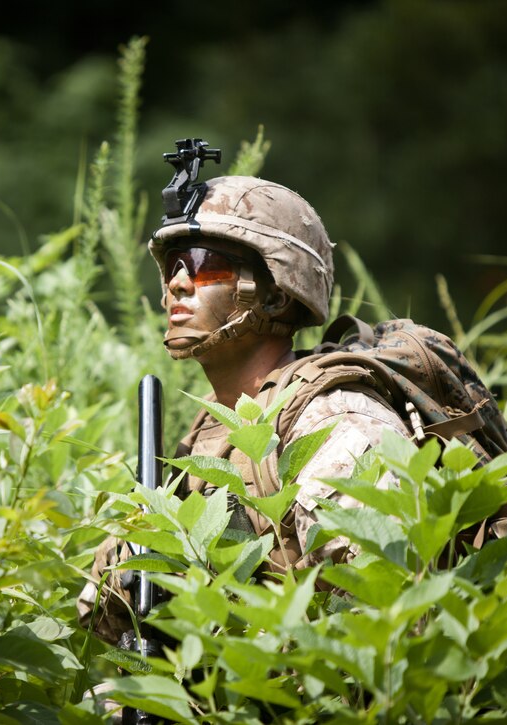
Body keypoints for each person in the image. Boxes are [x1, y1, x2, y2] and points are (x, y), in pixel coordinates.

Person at [78, 146, 409, 645]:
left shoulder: (333, 420)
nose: (178, 285)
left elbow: (384, 614)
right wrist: (137, 576)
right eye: (172, 266)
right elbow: (94, 617)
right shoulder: (205, 442)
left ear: (275, 294)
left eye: (205, 265)